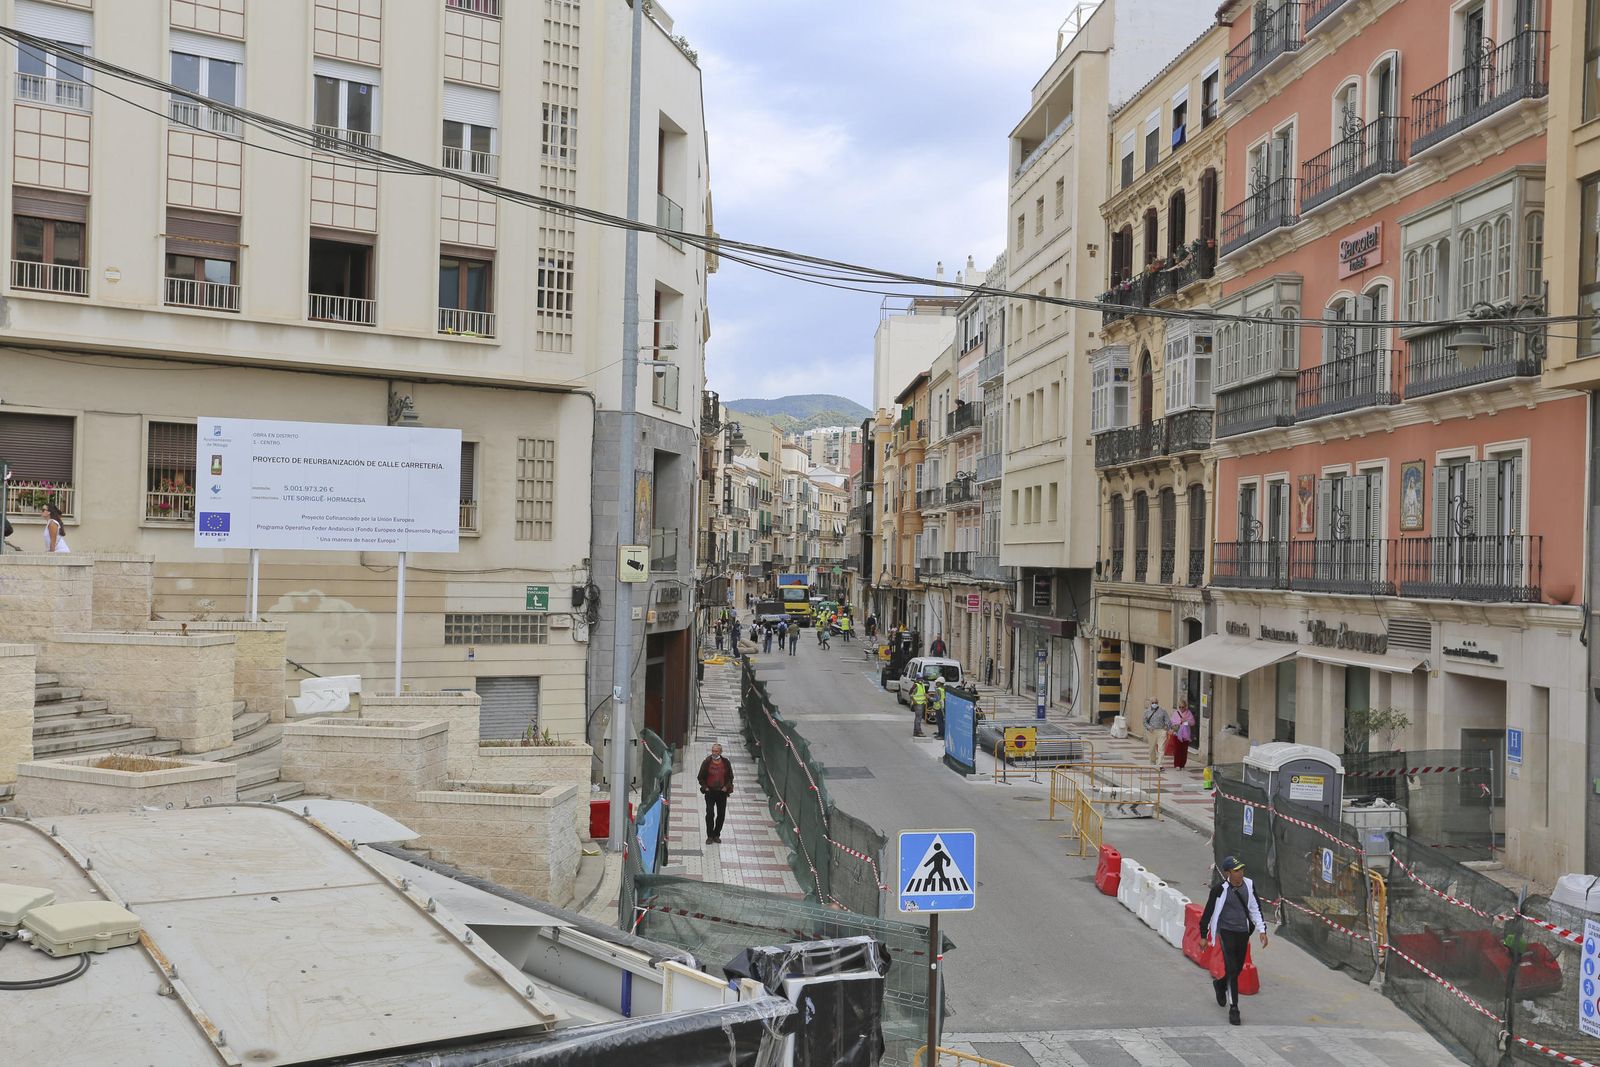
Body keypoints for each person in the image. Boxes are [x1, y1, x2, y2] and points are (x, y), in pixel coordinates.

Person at [1198, 855, 1269, 1026]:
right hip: (1226, 931)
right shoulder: (1219, 890)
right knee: (1231, 968)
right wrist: (1203, 935)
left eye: (1242, 869)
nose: (1240, 873)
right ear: (1228, 873)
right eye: (1236, 871)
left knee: (1236, 969)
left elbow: (1255, 908)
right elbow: (1208, 913)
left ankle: (1220, 984)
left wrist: (1262, 930)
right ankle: (1234, 1008)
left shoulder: (1249, 885)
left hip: (1243, 932)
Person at [696, 742, 735, 844]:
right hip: (710, 792)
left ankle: (716, 834)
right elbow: (700, 777)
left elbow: (730, 777)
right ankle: (709, 836)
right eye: (713, 751)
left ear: (720, 752)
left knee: (721, 814)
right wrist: (706, 788)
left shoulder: (726, 762)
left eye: (716, 751)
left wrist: (726, 787)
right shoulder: (707, 762)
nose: (714, 753)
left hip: (722, 793)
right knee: (710, 813)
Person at [1171, 699, 1197, 771]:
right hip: (1177, 735)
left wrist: (1185, 722)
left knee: (1184, 751)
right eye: (1180, 707)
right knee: (1177, 750)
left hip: (1185, 735)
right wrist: (1180, 721)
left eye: (1183, 707)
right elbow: (1173, 722)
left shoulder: (1189, 713)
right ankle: (1177, 764)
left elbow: (1192, 723)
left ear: (1186, 707)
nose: (1181, 708)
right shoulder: (1176, 713)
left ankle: (1182, 764)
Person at [1143, 699, 1168, 768]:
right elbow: (1144, 722)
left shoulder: (1163, 711)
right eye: (1153, 702)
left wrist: (1166, 726)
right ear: (1150, 703)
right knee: (1151, 749)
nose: (1154, 704)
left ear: (1158, 702)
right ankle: (1153, 762)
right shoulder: (1147, 711)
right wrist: (1149, 727)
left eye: (1156, 702)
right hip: (1151, 731)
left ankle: (1159, 764)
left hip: (1161, 731)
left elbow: (1167, 720)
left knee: (1161, 748)